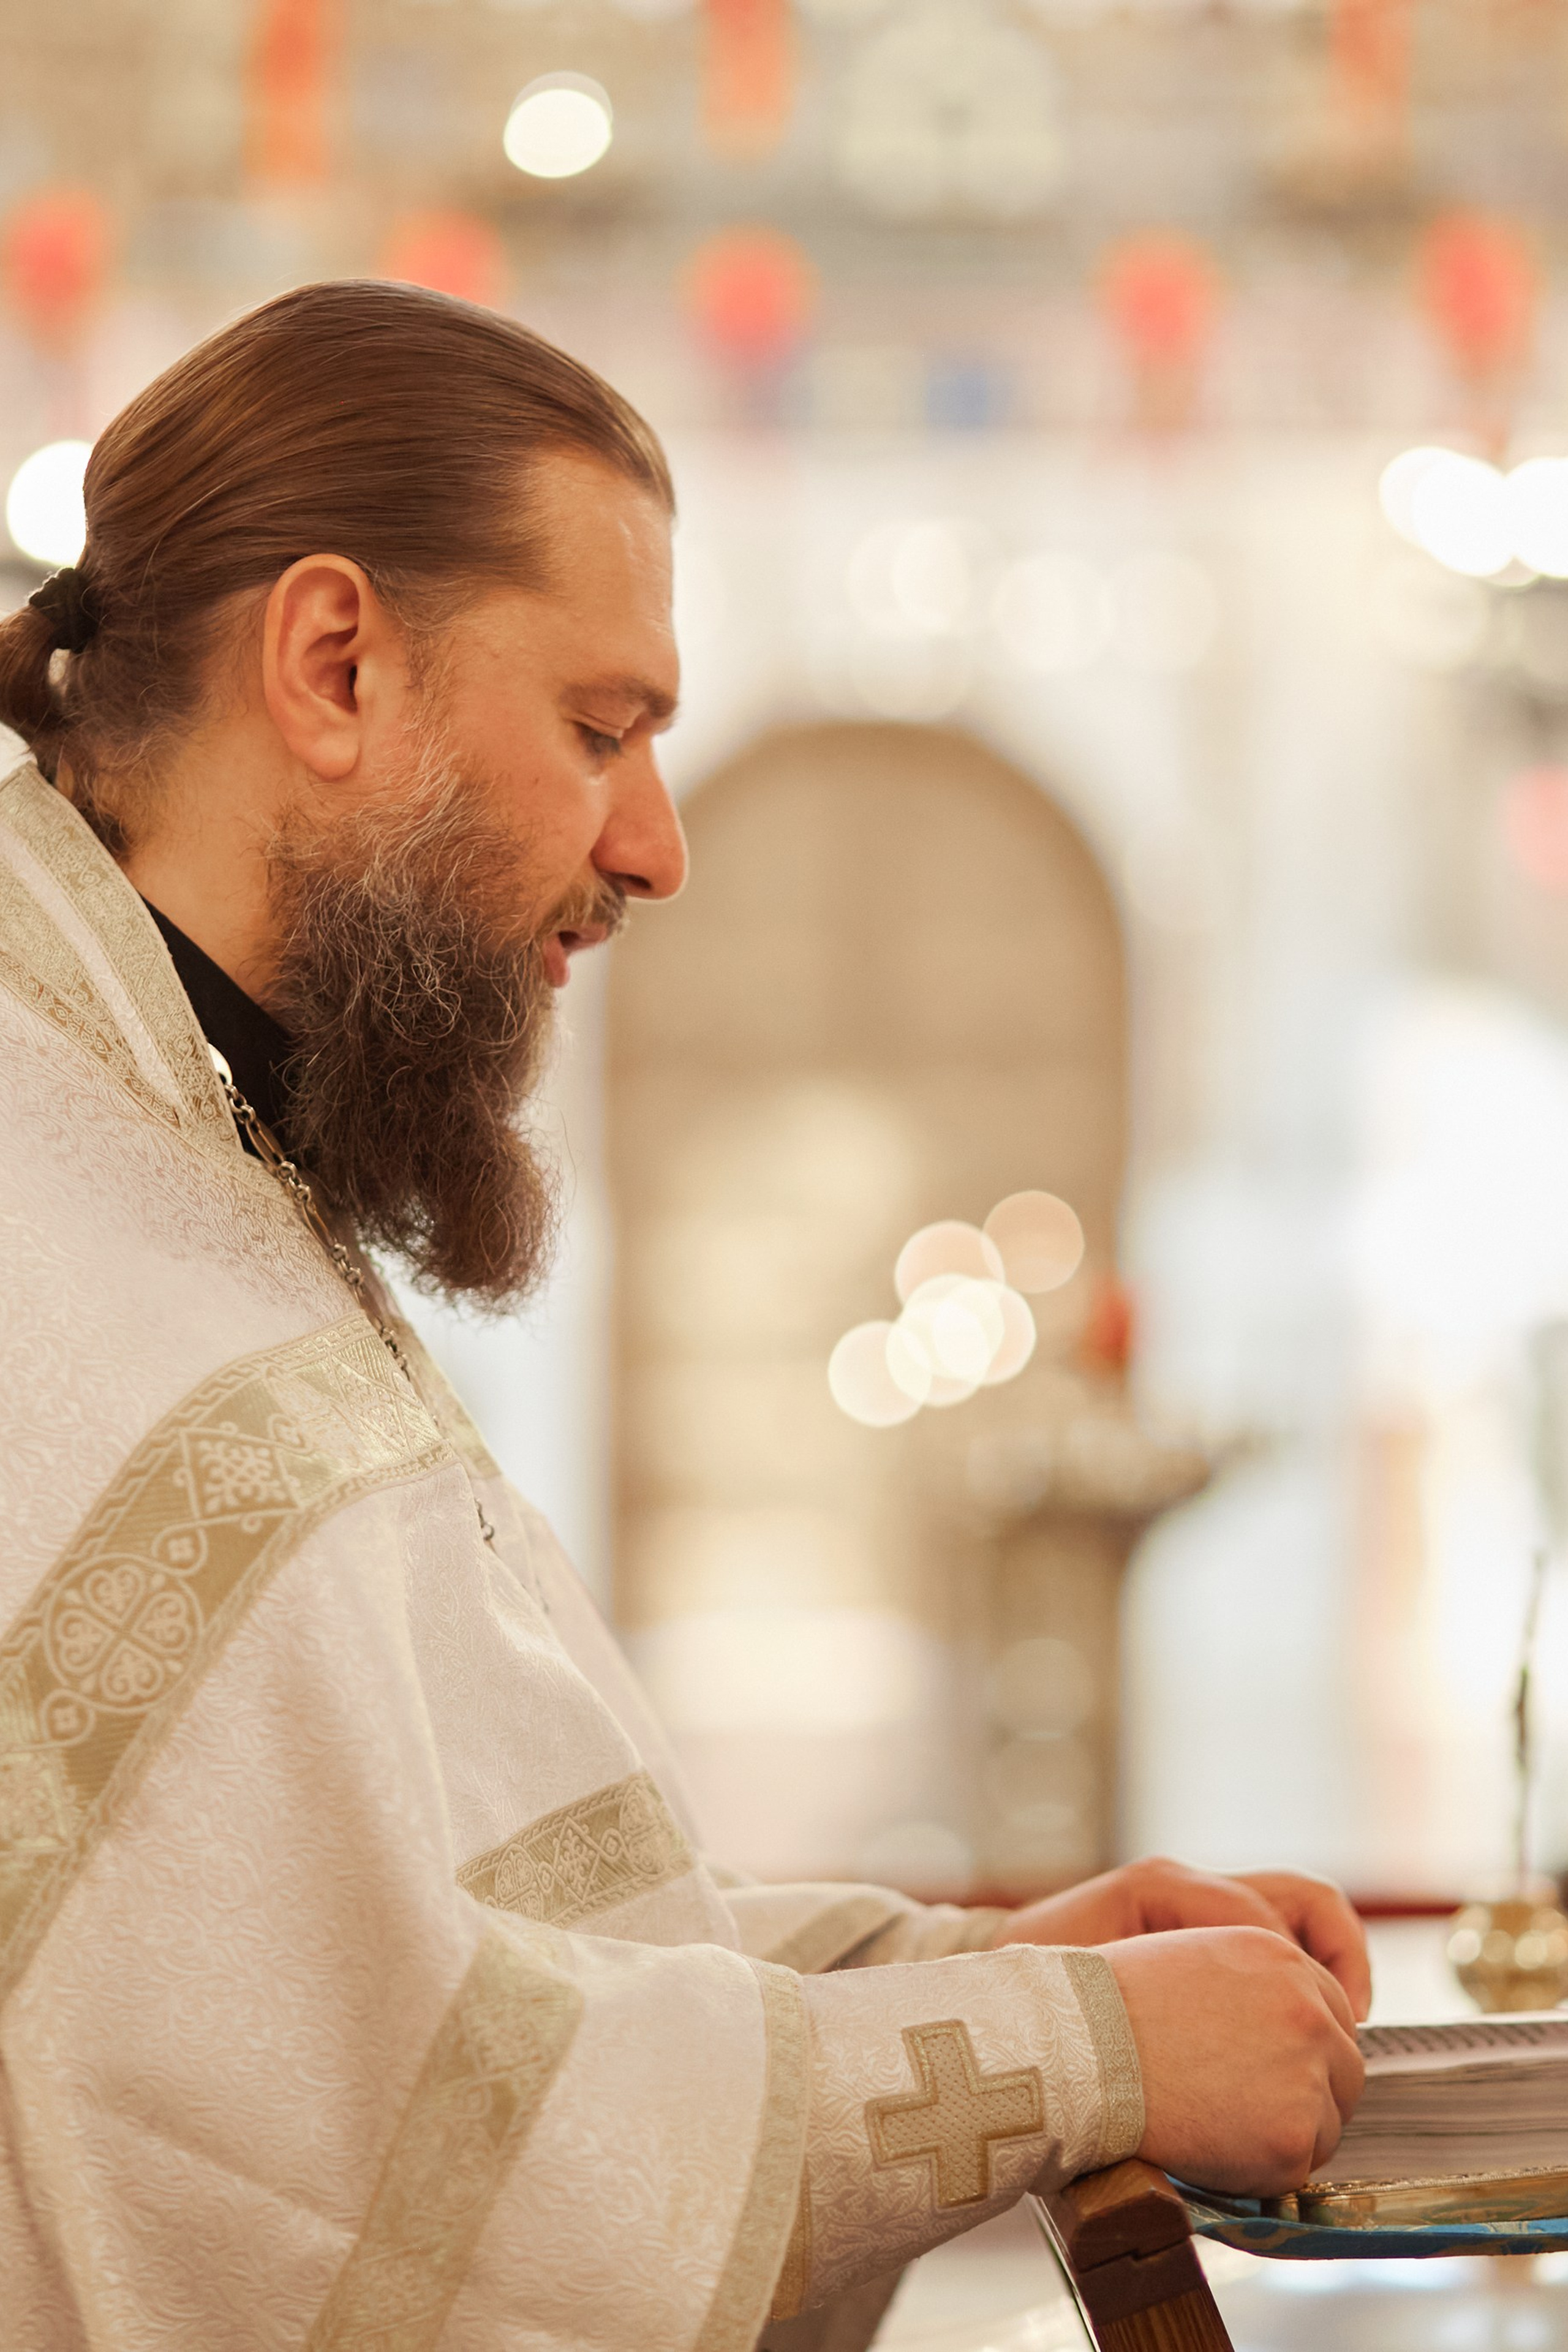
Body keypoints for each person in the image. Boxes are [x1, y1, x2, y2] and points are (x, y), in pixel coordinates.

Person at [0, 280, 1366, 2352]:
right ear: (335, 663)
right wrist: (1076, 2048)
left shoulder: (174, 1157)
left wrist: (958, 1966)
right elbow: (350, 2167)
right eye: (601, 729)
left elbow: (447, 1960)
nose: (655, 845)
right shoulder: (62, 1260)